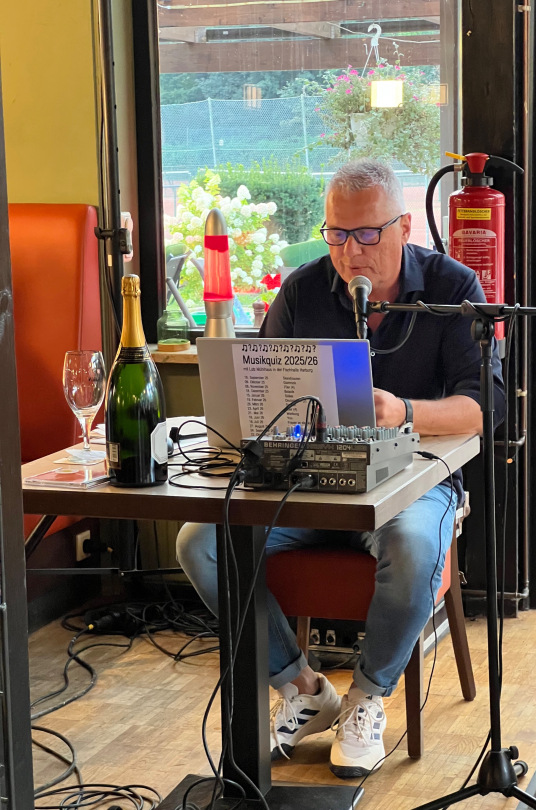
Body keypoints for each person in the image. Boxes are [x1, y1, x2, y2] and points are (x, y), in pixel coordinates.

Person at [176, 159, 505, 779]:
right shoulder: (303, 292)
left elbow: (483, 409)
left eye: (367, 234)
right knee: (200, 543)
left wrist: (404, 411)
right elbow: (258, 391)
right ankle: (301, 686)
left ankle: (366, 698)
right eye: (336, 234)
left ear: (405, 226)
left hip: (415, 480)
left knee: (412, 546)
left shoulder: (454, 287)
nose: (350, 252)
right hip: (310, 482)